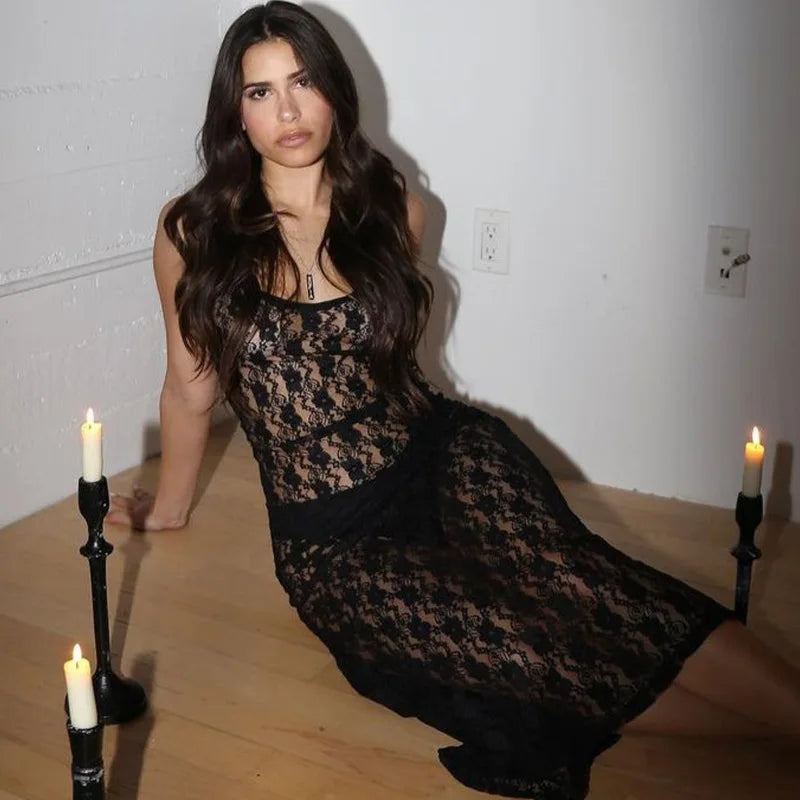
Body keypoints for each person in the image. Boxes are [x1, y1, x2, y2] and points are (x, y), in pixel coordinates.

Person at [107, 2, 800, 797]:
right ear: (234, 110)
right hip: (333, 544)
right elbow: (189, 390)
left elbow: (389, 369)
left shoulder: (395, 210)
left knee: (592, 585)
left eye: (303, 82)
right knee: (534, 654)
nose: (289, 112)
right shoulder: (193, 233)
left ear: (334, 88)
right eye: (260, 93)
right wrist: (169, 505)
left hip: (438, 454)